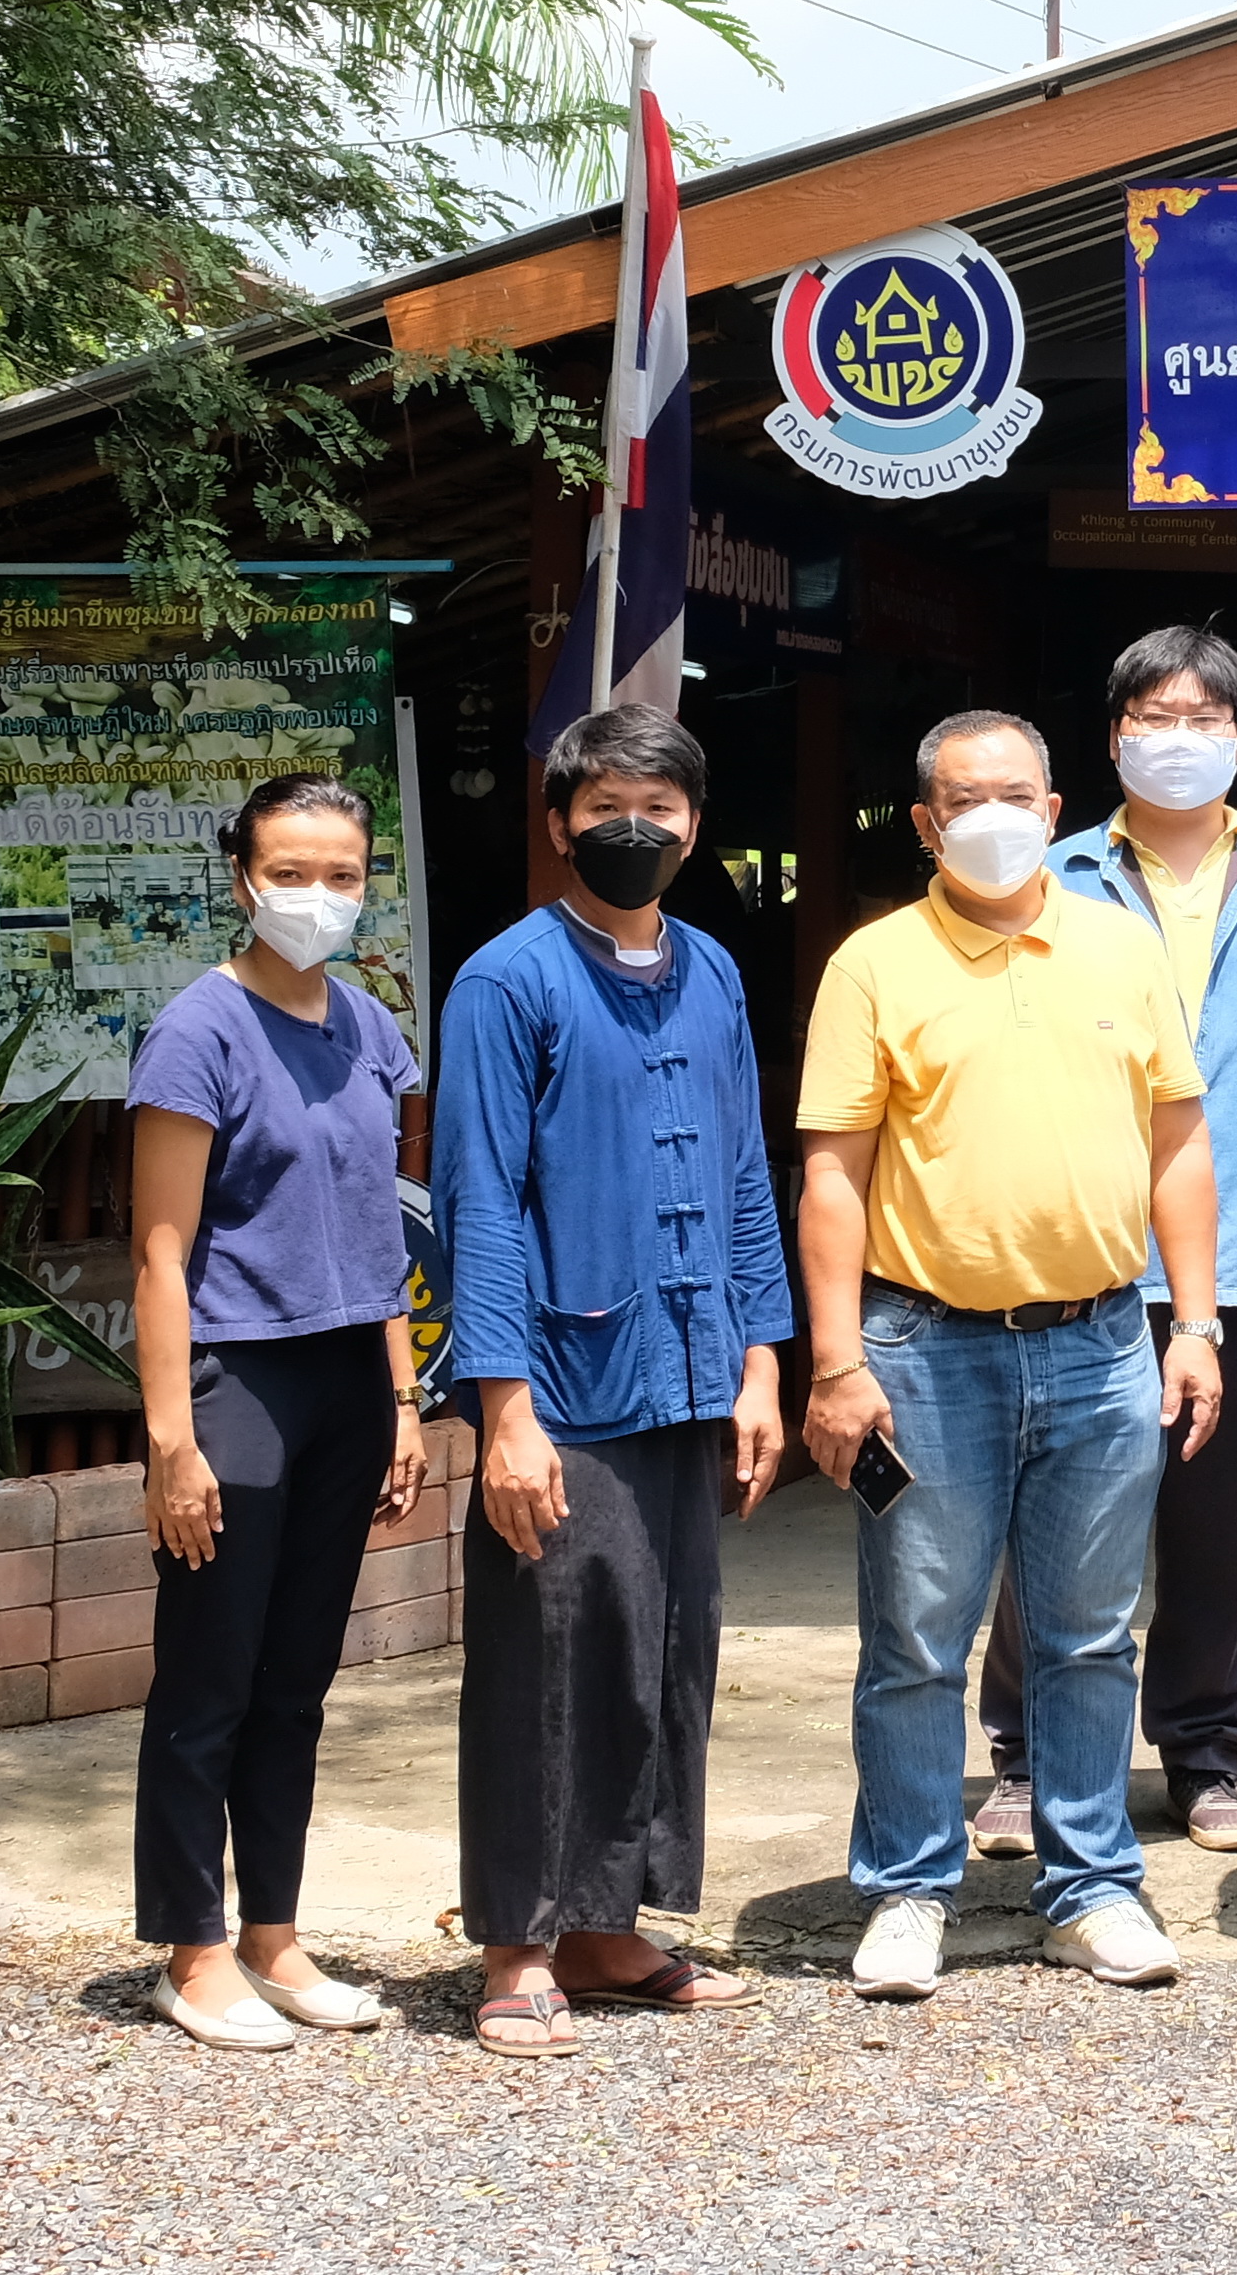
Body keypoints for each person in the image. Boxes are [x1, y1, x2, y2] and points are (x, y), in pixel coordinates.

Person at [798, 711, 1227, 2003]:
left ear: (1056, 809)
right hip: (925, 1349)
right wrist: (833, 1358)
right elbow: (833, 1174)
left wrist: (1194, 1321)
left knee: (1092, 1634)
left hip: (1102, 1340)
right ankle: (911, 1886)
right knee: (919, 1634)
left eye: (1016, 794)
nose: (992, 814)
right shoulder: (874, 965)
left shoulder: (1120, 947)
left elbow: (1180, 1142)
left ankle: (1091, 1887)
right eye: (962, 798)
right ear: (927, 822)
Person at [971, 627, 1237, 1860]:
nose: (1178, 736)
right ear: (1112, 736)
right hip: (1073, 1255)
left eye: (1204, 718)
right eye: (1155, 714)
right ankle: (1026, 1754)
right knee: (1052, 1516)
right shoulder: (1048, 874)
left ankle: (1207, 1749)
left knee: (1218, 1523)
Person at [432, 706, 795, 2057]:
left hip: (693, 1367)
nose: (633, 829)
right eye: (606, 808)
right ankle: (520, 1941)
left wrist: (762, 1359)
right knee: (546, 1653)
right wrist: (502, 1407)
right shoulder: (505, 982)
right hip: (564, 1378)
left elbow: (748, 1175)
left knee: (663, 1652)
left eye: (661, 807)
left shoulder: (711, 971)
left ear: (697, 826)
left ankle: (610, 1924)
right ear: (559, 823)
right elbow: (479, 1203)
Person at [124, 772, 428, 2052]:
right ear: (241, 877)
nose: (318, 895)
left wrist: (404, 1396)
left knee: (298, 1680)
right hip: (233, 1381)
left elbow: (377, 1227)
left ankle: (275, 1935)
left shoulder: (369, 1025)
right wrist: (170, 1439)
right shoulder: (197, 1030)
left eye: (342, 874)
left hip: (347, 1383)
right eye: (290, 872)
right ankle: (191, 1950)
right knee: (212, 1677)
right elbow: (157, 1250)